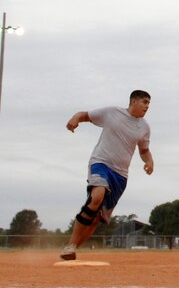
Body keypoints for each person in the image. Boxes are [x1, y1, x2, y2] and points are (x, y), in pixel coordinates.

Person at [60, 90, 154, 260]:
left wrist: (149, 161)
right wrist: (75, 119)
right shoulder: (112, 113)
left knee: (98, 217)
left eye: (149, 103)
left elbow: (144, 150)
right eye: (145, 102)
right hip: (101, 163)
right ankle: (71, 244)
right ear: (133, 101)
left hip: (120, 175)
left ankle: (72, 249)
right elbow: (85, 115)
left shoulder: (144, 127)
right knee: (96, 197)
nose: (147, 106)